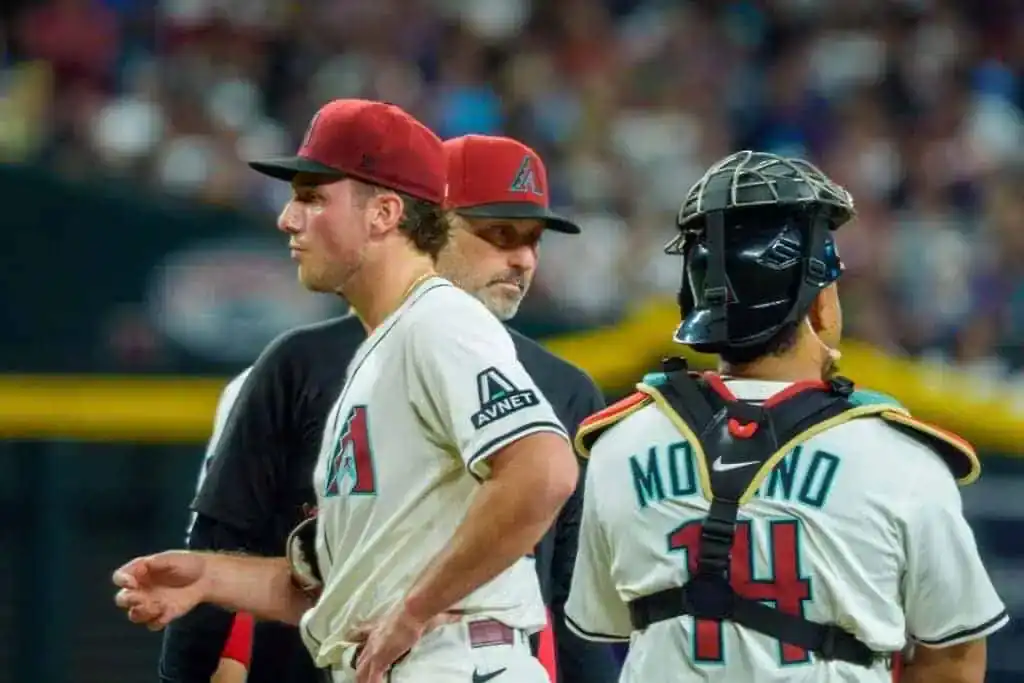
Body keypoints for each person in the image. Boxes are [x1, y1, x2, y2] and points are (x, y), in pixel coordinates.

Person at [113, 99, 580, 683]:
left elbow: (544, 471)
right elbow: (335, 591)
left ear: (384, 212)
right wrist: (209, 576)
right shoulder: (379, 355)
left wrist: (411, 612)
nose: (288, 218)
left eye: (312, 197)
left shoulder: (440, 322)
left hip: (456, 661)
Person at [563, 151, 1008, 683]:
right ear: (819, 305)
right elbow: (955, 660)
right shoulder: (902, 461)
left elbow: (607, 620)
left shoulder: (619, 445)